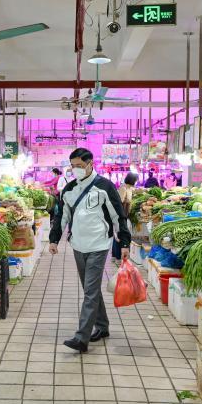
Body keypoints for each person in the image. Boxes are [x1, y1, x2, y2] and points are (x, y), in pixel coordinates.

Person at [49, 148, 131, 353]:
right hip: (78, 245)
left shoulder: (105, 186)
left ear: (90, 163)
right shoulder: (69, 190)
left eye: (79, 166)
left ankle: (81, 338)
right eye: (72, 166)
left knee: (91, 290)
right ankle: (102, 327)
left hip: (99, 245)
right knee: (90, 290)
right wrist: (54, 240)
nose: (75, 170)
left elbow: (118, 216)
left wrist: (124, 243)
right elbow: (62, 217)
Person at [112, 172, 138, 261]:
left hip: (125, 214)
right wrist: (127, 201)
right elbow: (120, 201)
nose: (136, 182)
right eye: (135, 180)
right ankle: (117, 256)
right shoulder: (123, 188)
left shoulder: (129, 188)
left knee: (120, 234)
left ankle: (116, 255)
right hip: (120, 214)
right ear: (132, 180)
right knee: (119, 234)